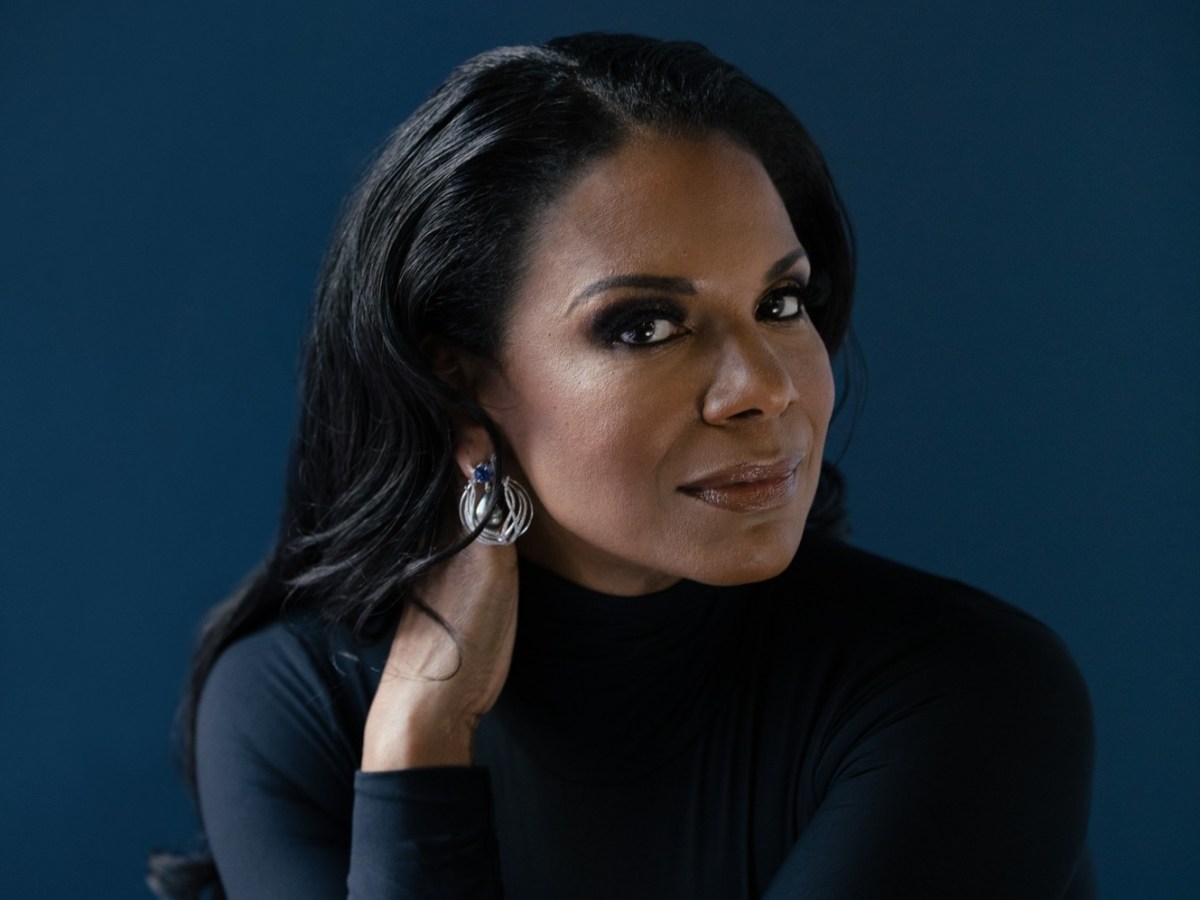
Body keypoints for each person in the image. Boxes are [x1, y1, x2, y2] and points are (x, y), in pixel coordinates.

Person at [148, 33, 1095, 899]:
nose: (765, 389)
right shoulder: (301, 705)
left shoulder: (965, 693)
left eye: (779, 304)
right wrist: (421, 735)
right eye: (645, 326)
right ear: (457, 375)